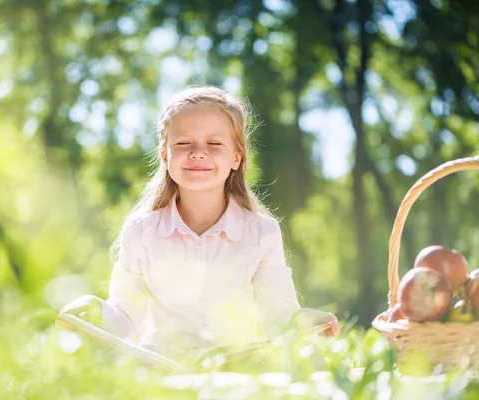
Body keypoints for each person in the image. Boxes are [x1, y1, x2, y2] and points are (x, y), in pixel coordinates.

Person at [60, 86, 339, 355]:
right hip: (161, 362)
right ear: (165, 155)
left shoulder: (261, 232)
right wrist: (95, 310)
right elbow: (126, 315)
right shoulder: (141, 231)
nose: (198, 152)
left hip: (237, 361)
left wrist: (305, 321)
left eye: (214, 143)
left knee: (306, 357)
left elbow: (276, 313)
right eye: (183, 143)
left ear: (236, 157)